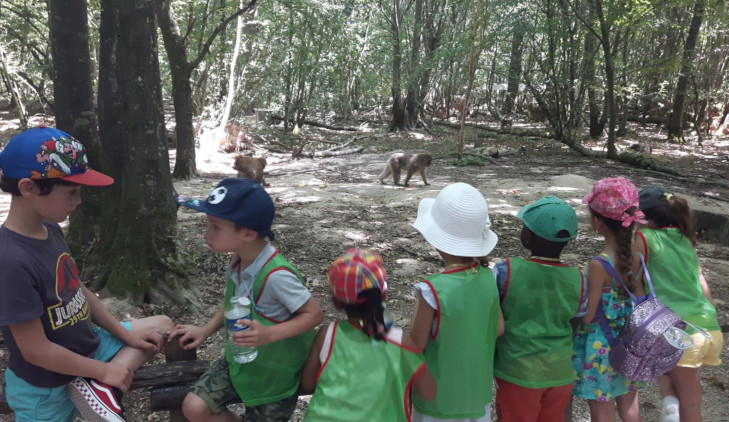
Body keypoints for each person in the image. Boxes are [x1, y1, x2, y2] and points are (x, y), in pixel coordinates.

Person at [0, 126, 173, 422]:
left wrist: (122, 335)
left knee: (161, 324)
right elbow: (36, 351)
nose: (78, 202)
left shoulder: (51, 229)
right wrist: (106, 370)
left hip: (90, 348)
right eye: (71, 192)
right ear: (29, 188)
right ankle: (101, 382)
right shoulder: (10, 260)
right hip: (46, 386)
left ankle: (99, 389)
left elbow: (77, 290)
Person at [170, 177, 324, 422]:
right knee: (194, 407)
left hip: (274, 376)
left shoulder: (276, 276)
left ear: (248, 234)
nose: (207, 233)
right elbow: (235, 301)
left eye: (216, 227)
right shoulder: (239, 259)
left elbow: (314, 315)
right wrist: (206, 329)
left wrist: (269, 334)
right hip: (239, 363)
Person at [301, 248, 437, 421]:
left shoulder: (328, 334)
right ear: (384, 296)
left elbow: (307, 383)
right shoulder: (400, 341)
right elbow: (429, 392)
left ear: (336, 303)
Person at [408, 182, 503, 422]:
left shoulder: (431, 290)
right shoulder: (488, 276)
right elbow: (499, 328)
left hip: (437, 400)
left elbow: (416, 344)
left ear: (437, 239)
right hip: (476, 396)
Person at [492, 195, 586, 422]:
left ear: (528, 237)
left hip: (518, 372)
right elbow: (576, 321)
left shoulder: (505, 271)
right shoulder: (579, 278)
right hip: (560, 372)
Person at [635, 187, 723, 422]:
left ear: (644, 219)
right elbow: (701, 282)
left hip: (678, 331)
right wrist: (711, 315)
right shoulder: (686, 239)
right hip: (706, 327)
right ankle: (669, 406)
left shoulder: (645, 238)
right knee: (675, 379)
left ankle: (671, 407)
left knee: (690, 403)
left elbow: (634, 279)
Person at [572, 177, 647, 422]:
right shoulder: (637, 256)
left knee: (602, 409)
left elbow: (590, 315)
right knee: (630, 404)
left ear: (596, 222)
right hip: (629, 344)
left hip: (600, 348)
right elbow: (638, 299)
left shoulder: (599, 264)